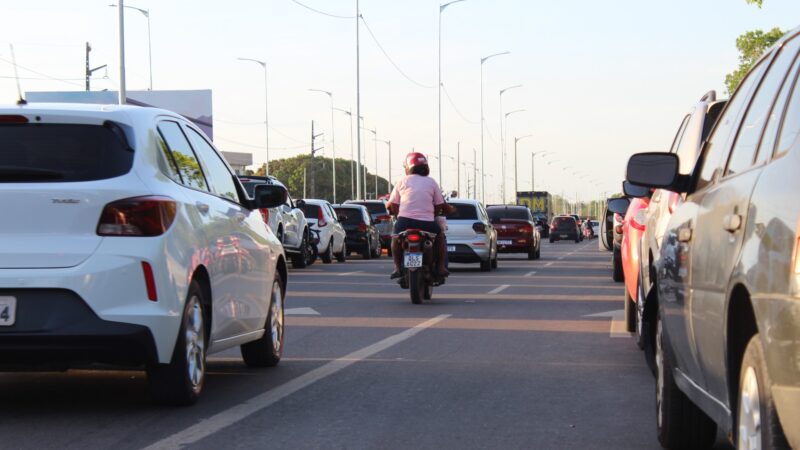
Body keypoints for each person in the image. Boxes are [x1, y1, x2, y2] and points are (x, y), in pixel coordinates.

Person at [387, 152, 449, 279]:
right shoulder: (431, 182)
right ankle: (441, 267)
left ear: (408, 167)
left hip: (404, 222)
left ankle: (397, 268)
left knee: (395, 238)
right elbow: (439, 204)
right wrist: (432, 214)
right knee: (440, 237)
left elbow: (392, 204)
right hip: (427, 222)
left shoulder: (402, 181)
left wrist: (399, 215)